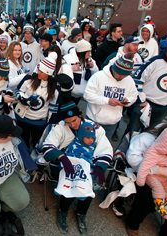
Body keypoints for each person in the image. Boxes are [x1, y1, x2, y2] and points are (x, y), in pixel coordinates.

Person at [42, 102, 113, 233]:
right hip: (64, 164)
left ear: (80, 115)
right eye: (68, 122)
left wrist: (99, 168)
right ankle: (62, 211)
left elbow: (105, 150)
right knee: (70, 180)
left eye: (74, 120)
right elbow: (47, 147)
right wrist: (62, 158)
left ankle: (81, 213)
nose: (72, 125)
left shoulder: (95, 128)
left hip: (89, 166)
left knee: (88, 183)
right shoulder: (60, 127)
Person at [53, 122, 97, 233]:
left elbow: (94, 159)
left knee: (88, 191)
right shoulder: (73, 145)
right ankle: (63, 211)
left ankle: (81, 213)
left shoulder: (93, 146)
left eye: (92, 138)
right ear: (81, 136)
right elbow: (67, 160)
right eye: (87, 137)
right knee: (69, 188)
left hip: (86, 171)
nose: (91, 140)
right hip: (71, 171)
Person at [83, 53, 138, 140]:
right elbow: (87, 95)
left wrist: (128, 101)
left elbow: (134, 95)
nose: (121, 76)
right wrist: (107, 101)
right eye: (119, 73)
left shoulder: (129, 80)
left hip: (112, 122)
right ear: (114, 68)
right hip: (94, 119)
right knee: (86, 144)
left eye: (125, 75)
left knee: (103, 147)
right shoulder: (98, 76)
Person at [14, 53, 59, 148]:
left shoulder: (54, 88)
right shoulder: (29, 79)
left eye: (41, 71)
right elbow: (18, 92)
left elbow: (52, 108)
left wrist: (49, 123)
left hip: (39, 122)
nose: (38, 72)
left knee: (36, 145)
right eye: (39, 69)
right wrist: (25, 100)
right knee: (22, 144)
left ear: (48, 73)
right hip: (22, 118)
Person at [67, 39, 99, 105]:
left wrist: (93, 67)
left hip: (81, 94)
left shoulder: (90, 59)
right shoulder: (68, 59)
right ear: (82, 52)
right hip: (69, 93)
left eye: (90, 51)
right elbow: (60, 73)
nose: (90, 53)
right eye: (88, 52)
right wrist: (71, 68)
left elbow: (97, 75)